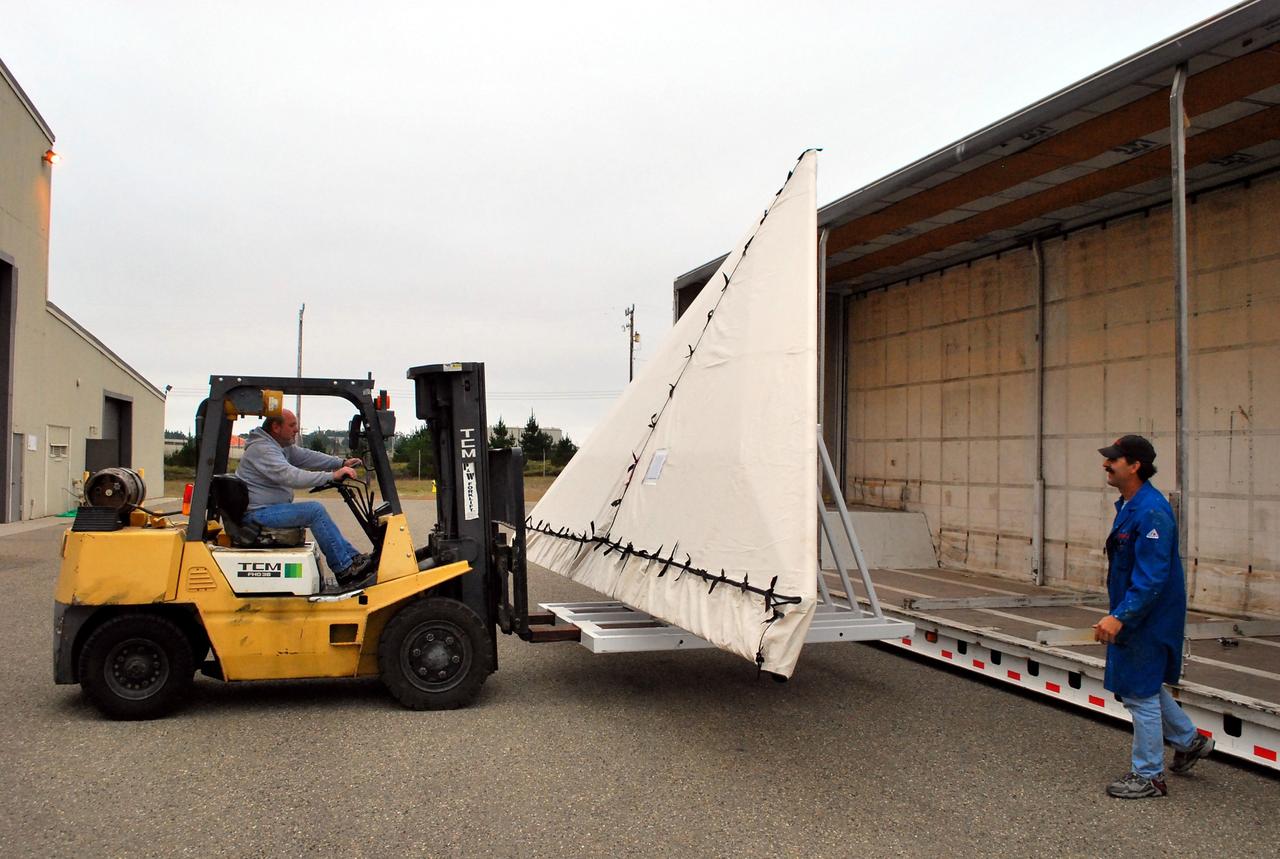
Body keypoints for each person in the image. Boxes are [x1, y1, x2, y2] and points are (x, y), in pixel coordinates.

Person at [1095, 434, 1213, 799]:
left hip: (1148, 617)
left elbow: (1152, 577)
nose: (1106, 464)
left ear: (1135, 466)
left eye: (1115, 459)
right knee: (1141, 686)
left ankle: (1149, 776)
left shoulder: (1151, 511)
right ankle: (1189, 740)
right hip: (1138, 612)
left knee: (1140, 694)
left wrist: (1123, 616)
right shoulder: (1131, 505)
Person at [236, 409, 374, 589]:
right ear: (276, 427)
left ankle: (353, 558)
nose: (296, 430)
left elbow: (306, 456)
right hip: (257, 513)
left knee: (314, 510)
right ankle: (345, 569)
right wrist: (332, 476)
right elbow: (291, 477)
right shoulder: (262, 449)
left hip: (267, 509)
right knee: (314, 511)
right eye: (292, 425)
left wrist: (340, 463)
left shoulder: (279, 446)